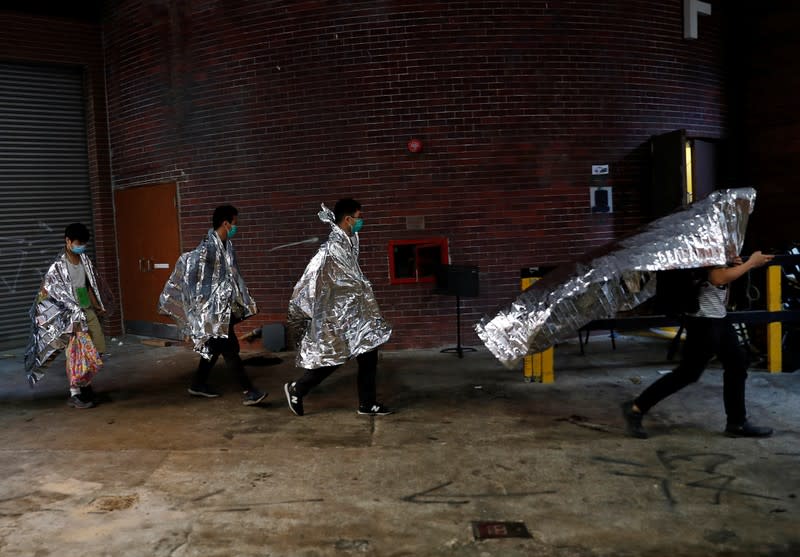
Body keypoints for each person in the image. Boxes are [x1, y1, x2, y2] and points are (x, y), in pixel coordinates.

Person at [622, 251, 776, 438]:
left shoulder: (716, 247)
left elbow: (721, 276)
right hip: (703, 321)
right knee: (689, 372)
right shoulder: (706, 247)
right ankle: (636, 407)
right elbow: (718, 278)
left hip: (718, 317)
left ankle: (737, 422)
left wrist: (734, 263)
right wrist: (751, 263)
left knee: (737, 364)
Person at [284, 198, 393, 416]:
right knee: (335, 357)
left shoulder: (348, 240)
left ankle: (367, 403)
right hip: (340, 315)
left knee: (368, 352)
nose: (361, 222)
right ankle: (298, 388)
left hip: (356, 313)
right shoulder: (333, 248)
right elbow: (323, 281)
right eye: (359, 217)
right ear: (348, 219)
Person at [158, 205, 266, 406]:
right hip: (212, 312)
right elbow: (191, 271)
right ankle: (249, 391)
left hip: (223, 309)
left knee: (215, 347)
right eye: (234, 224)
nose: (236, 227)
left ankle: (198, 384)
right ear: (226, 223)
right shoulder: (207, 248)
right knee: (230, 348)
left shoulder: (227, 246)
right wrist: (195, 307)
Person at [24, 223, 106, 408]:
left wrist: (97, 305)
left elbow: (87, 285)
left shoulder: (84, 260)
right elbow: (45, 292)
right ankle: (76, 392)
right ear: (68, 241)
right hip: (69, 315)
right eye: (79, 243)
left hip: (86, 309)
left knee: (97, 348)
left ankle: (84, 383)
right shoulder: (58, 266)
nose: (82, 246)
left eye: (84, 243)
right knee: (76, 353)